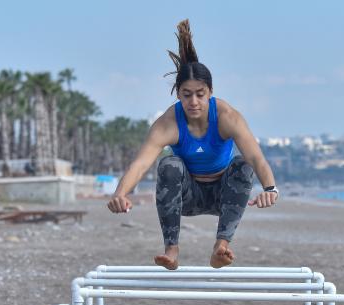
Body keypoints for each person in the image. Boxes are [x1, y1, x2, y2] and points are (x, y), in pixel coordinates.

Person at [107, 19, 278, 269]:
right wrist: (119, 194)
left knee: (242, 164)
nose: (194, 101)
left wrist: (270, 189)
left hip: (224, 195)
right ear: (178, 94)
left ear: (210, 92)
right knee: (169, 164)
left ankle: (221, 246)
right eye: (187, 95)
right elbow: (140, 164)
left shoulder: (227, 117)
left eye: (200, 94)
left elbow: (256, 158)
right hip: (187, 196)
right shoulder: (169, 123)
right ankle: (171, 250)